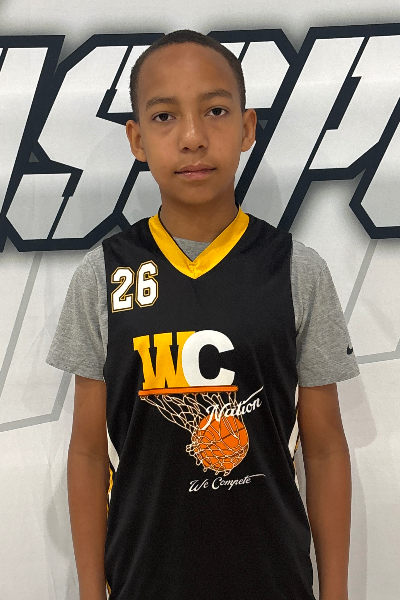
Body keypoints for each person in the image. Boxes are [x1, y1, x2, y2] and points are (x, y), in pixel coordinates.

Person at [46, 29, 360, 600]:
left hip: (274, 581)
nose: (192, 137)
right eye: (165, 117)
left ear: (246, 128)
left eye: (215, 111)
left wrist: (335, 593)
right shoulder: (105, 274)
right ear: (137, 139)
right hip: (145, 581)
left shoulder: (295, 269)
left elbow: (324, 449)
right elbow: (88, 453)